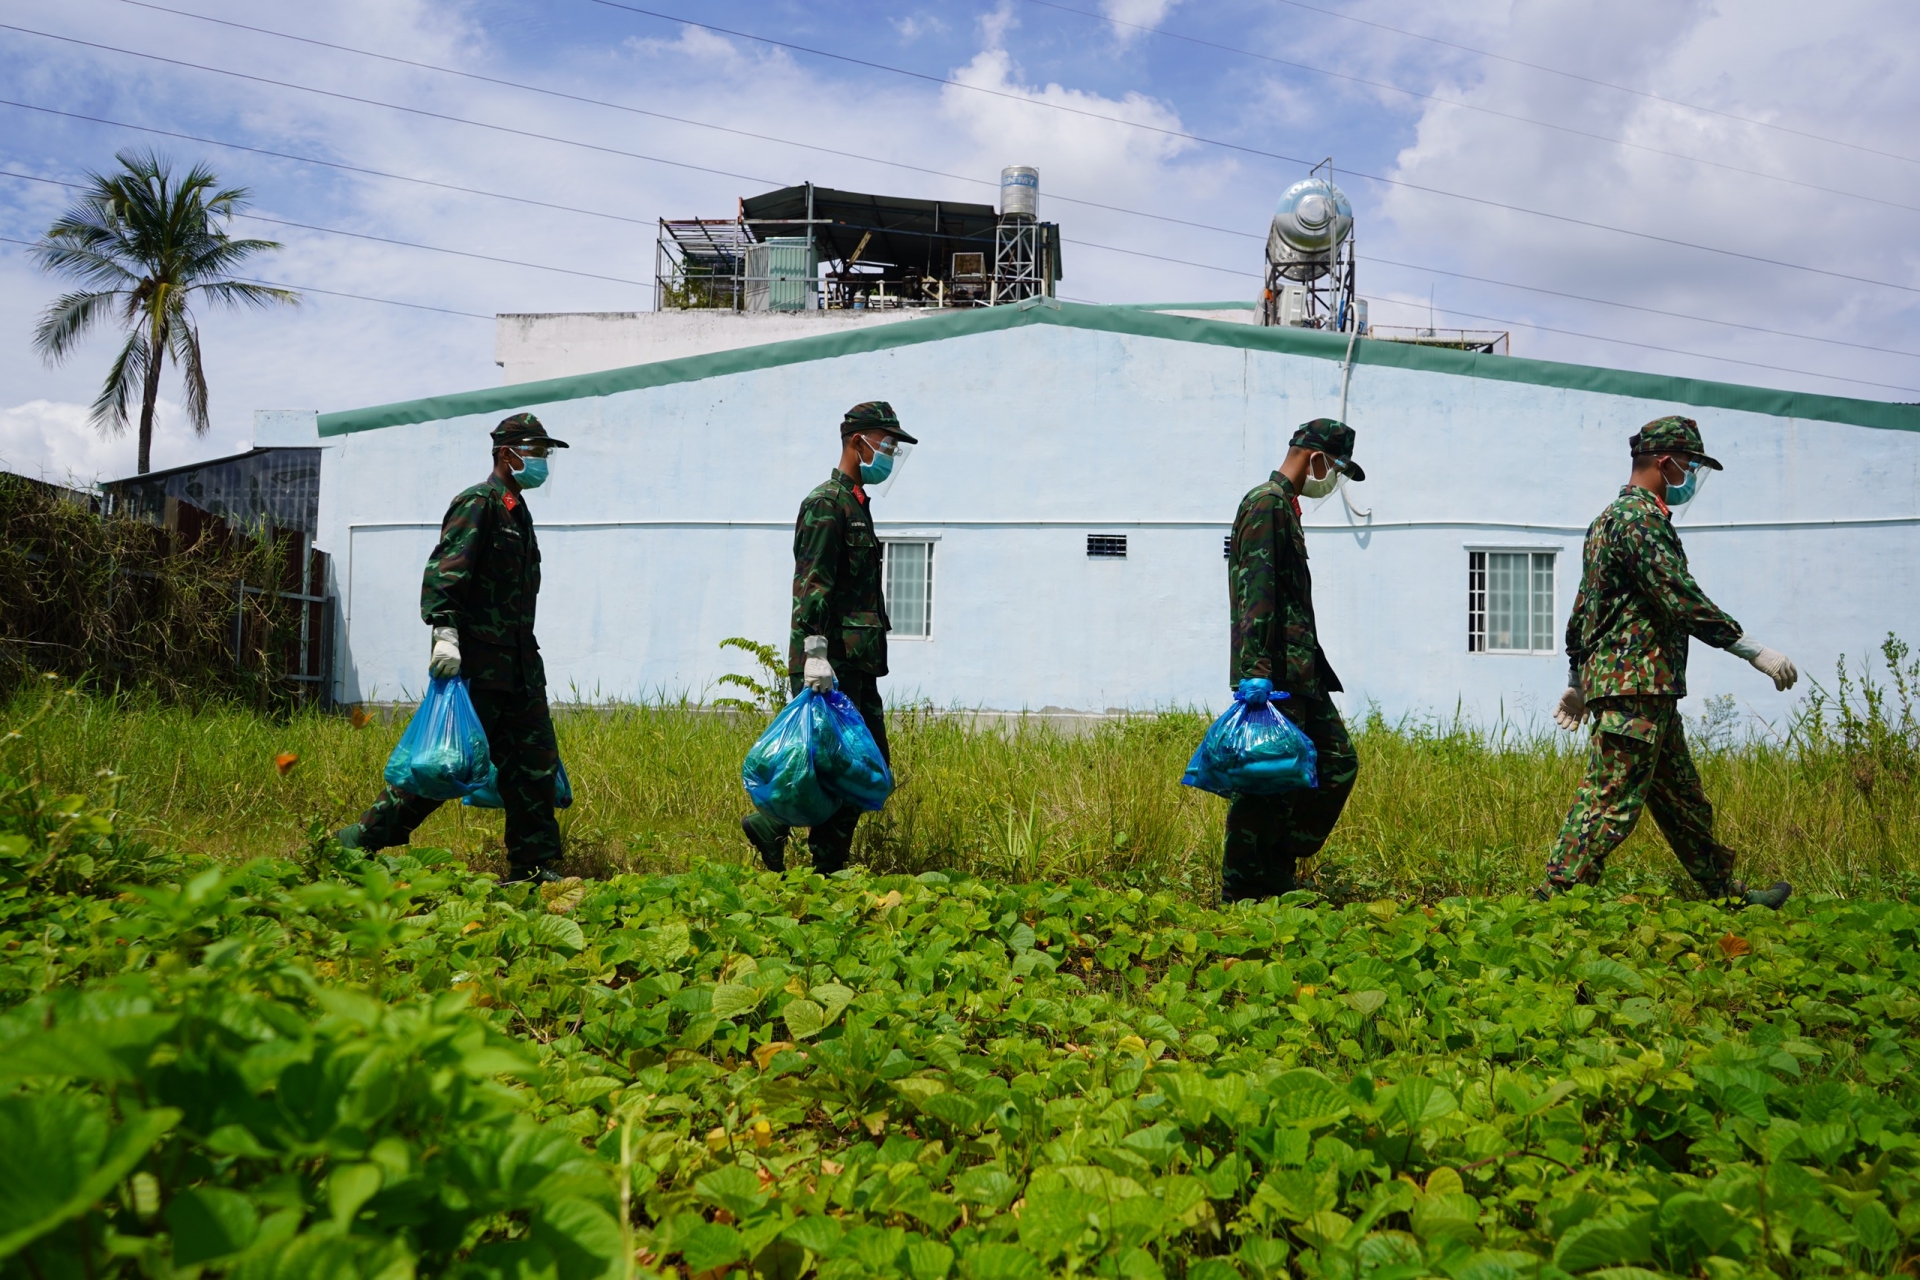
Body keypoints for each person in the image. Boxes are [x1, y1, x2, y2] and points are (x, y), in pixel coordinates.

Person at [1543, 415, 1796, 907]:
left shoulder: (1607, 520)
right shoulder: (1640, 520)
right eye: (1690, 465)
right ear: (1665, 462)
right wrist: (1750, 649)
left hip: (1645, 689)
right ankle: (1552, 901)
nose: (1691, 477)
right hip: (1636, 687)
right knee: (1609, 802)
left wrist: (1578, 677)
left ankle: (1725, 895)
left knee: (1683, 800)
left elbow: (1585, 607)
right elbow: (1679, 596)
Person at [336, 412, 568, 885]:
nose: (542, 461)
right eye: (536, 451)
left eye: (545, 453)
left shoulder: (518, 513)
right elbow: (448, 569)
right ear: (507, 454)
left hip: (521, 669)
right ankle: (359, 842)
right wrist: (445, 631)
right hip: (479, 667)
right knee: (445, 765)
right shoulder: (478, 503)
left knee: (535, 768)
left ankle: (532, 868)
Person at [741, 401, 916, 875]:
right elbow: (812, 585)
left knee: (861, 764)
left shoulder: (857, 505)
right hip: (830, 665)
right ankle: (825, 870)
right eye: (886, 444)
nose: (890, 454)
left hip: (856, 662)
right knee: (850, 765)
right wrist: (815, 656)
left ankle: (776, 827)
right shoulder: (826, 503)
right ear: (858, 442)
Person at [1222, 418, 1365, 902]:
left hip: (1301, 670)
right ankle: (1244, 884)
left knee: (1334, 762)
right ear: (1316, 458)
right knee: (1267, 775)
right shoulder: (1266, 503)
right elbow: (1257, 590)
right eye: (1336, 470)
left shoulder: (1285, 507)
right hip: (1275, 673)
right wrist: (1256, 674)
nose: (1334, 481)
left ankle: (1276, 863)